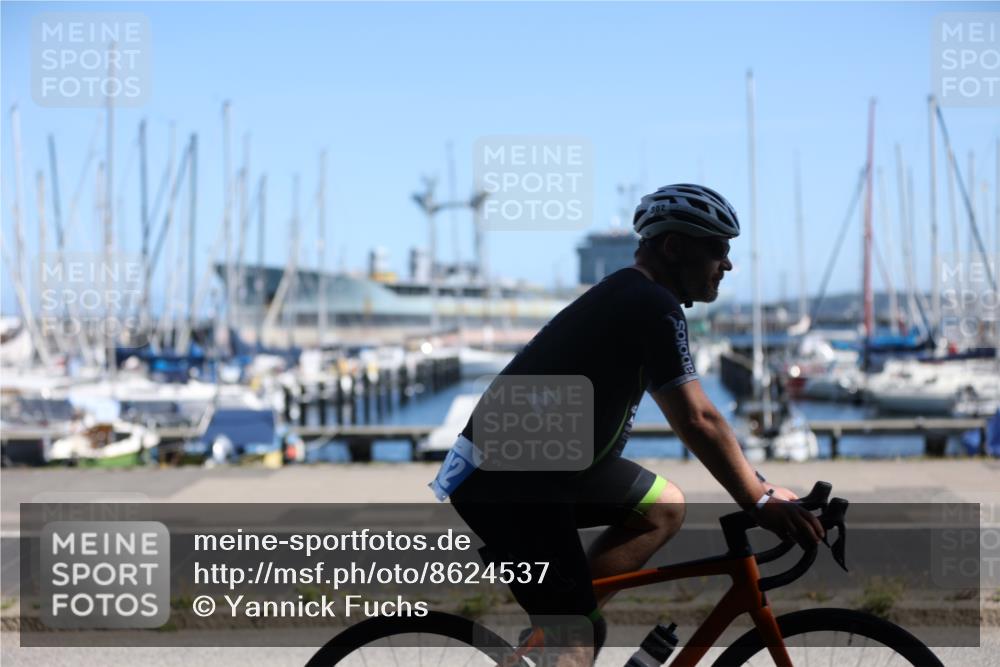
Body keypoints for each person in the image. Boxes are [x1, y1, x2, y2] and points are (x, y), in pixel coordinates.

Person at [430, 184, 825, 666]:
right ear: (674, 247)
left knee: (663, 508)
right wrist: (758, 501)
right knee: (576, 639)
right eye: (717, 249)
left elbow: (699, 419)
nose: (727, 264)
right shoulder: (647, 303)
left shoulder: (639, 296)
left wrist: (760, 486)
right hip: (508, 481)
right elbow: (698, 418)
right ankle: (558, 636)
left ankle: (545, 638)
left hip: (547, 470)